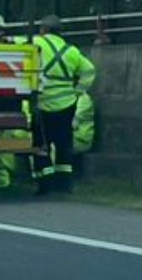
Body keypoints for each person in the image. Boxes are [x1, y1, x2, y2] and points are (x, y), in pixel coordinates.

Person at [29, 15, 96, 194]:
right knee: (64, 144)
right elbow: (89, 70)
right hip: (67, 104)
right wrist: (78, 91)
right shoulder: (71, 51)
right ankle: (64, 184)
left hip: (42, 103)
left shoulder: (35, 43)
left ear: (43, 29)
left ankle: (45, 184)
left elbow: (15, 46)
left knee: (41, 144)